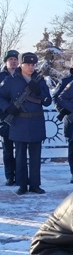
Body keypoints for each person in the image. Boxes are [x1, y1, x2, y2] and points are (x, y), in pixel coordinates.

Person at [0, 52, 52, 195]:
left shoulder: (40, 80)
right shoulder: (10, 80)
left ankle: (35, 184)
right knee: (20, 156)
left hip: (36, 121)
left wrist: (39, 92)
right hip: (19, 121)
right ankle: (22, 184)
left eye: (33, 65)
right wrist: (7, 108)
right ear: (21, 64)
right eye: (28, 64)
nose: (31, 67)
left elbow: (47, 101)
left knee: (35, 156)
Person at [52, 54, 73, 183]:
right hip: (71, 117)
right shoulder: (65, 81)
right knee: (72, 148)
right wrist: (61, 110)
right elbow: (56, 97)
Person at [0, 50, 19, 186]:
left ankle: (20, 175)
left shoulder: (22, 75)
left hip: (20, 117)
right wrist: (7, 108)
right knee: (7, 149)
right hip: (5, 116)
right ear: (6, 61)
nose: (13, 61)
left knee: (20, 149)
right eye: (10, 59)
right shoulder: (1, 76)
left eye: (15, 59)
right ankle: (9, 176)